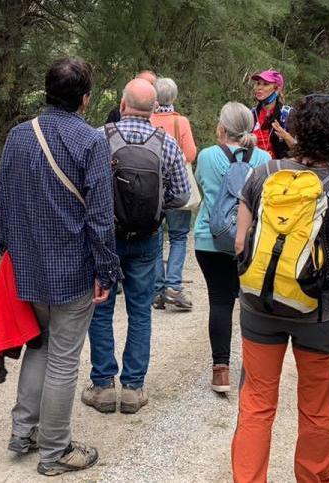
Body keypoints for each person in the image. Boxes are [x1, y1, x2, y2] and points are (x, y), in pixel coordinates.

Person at [231, 94, 329, 483]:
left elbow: (240, 244)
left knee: (256, 402)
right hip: (318, 313)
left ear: (297, 130)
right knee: (317, 409)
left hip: (260, 306)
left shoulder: (262, 174)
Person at [0, 57, 120, 476]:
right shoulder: (90, 141)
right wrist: (108, 272)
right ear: (85, 99)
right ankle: (54, 452)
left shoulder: (16, 137)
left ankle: (23, 432)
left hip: (26, 266)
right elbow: (101, 219)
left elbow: (6, 201)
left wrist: (7, 251)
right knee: (64, 358)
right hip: (72, 270)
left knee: (40, 345)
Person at [82, 78, 190, 415]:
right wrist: (157, 212)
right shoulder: (167, 143)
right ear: (155, 109)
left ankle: (102, 387)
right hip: (146, 238)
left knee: (100, 308)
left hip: (105, 238)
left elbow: (86, 187)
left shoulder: (101, 138)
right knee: (140, 311)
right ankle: (132, 388)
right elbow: (183, 194)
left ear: (123, 104)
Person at [192, 102, 272, 394]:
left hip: (210, 240)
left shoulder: (207, 156)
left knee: (219, 301)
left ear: (221, 128)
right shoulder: (263, 158)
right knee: (250, 302)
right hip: (250, 241)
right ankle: (251, 372)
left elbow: (203, 188)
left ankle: (221, 372)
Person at [150, 77, 198, 311]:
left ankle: (158, 290)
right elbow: (189, 154)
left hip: (150, 191)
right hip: (177, 189)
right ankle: (174, 286)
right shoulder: (181, 122)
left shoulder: (146, 120)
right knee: (179, 237)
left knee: (156, 239)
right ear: (174, 98)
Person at [250, 69, 293, 158]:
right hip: (253, 168)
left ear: (277, 88)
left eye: (265, 84)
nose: (259, 88)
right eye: (258, 83)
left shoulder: (288, 115)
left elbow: (300, 149)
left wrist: (286, 137)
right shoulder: (251, 114)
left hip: (278, 169)